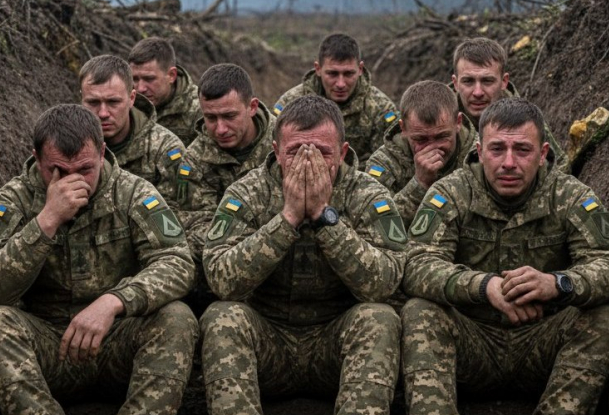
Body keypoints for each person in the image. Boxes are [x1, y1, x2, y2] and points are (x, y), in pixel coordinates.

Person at [401, 98, 609, 415]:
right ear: (480, 151)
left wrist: (559, 284)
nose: (509, 163)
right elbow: (416, 264)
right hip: (472, 345)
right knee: (419, 311)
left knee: (607, 316)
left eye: (522, 150)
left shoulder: (568, 195)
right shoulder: (451, 192)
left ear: (542, 153)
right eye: (497, 149)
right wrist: (483, 287)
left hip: (541, 346)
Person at [0, 104, 197, 415]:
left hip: (116, 344)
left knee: (176, 317)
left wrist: (114, 301)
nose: (74, 181)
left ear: (102, 153)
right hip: (51, 348)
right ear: (36, 158)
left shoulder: (132, 192)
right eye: (58, 170)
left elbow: (177, 261)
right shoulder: (13, 200)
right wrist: (47, 221)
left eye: (86, 169)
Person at [200, 95, 406, 415]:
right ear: (277, 151)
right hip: (269, 343)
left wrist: (326, 218)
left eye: (322, 152)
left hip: (335, 346)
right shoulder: (248, 192)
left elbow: (383, 283)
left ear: (342, 153)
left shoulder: (368, 194)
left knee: (380, 318)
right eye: (295, 151)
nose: (307, 161)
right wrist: (288, 218)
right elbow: (221, 279)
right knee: (222, 317)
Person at [177, 63, 274, 262]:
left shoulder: (282, 143)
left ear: (252, 107)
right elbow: (196, 224)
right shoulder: (195, 159)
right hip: (225, 259)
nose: (220, 129)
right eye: (211, 118)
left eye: (229, 116)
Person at [365, 80, 476, 228]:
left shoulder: (481, 155)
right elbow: (375, 226)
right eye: (421, 139)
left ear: (458, 122)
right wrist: (420, 183)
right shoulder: (384, 163)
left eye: (442, 137)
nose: (432, 147)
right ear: (403, 128)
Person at [273, 32, 398, 164]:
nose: (340, 84)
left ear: (360, 69)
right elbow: (275, 156)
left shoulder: (381, 108)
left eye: (348, 74)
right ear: (318, 68)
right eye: (332, 74)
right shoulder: (289, 104)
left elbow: (388, 162)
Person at [80, 54, 185, 208]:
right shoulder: (69, 146)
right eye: (93, 102)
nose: (103, 113)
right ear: (82, 99)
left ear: (132, 98)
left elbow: (178, 213)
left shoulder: (165, 149)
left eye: (113, 102)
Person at [450, 38, 569, 172]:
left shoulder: (526, 118)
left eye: (487, 81)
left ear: (504, 81)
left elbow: (561, 166)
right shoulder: (441, 118)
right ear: (455, 83)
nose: (478, 92)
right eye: (468, 81)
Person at [128, 37, 200, 145]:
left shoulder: (199, 109)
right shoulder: (126, 104)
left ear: (171, 75)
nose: (140, 88)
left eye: (149, 79)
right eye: (135, 79)